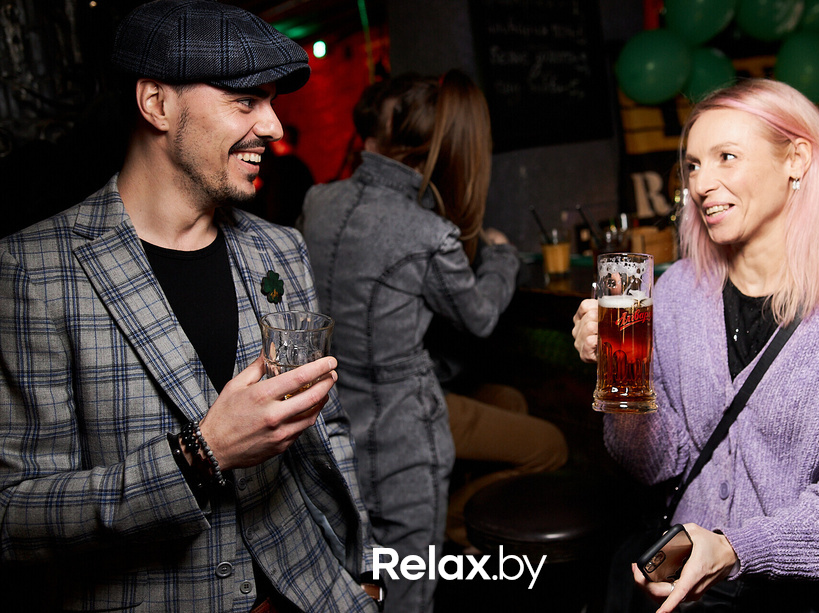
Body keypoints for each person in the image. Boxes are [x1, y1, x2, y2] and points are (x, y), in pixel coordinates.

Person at [0, 2, 381, 611]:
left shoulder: (279, 249)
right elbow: (15, 513)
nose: (276, 127)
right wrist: (200, 456)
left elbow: (327, 428)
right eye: (245, 101)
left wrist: (362, 567)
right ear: (156, 104)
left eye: (272, 101)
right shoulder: (33, 271)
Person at [572, 78, 819, 612]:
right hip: (683, 580)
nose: (701, 183)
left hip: (803, 596)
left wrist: (735, 549)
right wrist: (618, 376)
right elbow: (654, 462)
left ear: (796, 160)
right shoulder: (678, 290)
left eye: (726, 157)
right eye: (692, 165)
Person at [297, 70, 522, 612]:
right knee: (410, 594)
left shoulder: (318, 202)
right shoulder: (428, 233)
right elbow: (482, 316)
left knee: (356, 585)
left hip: (330, 425)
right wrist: (502, 256)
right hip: (404, 432)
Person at [347, 75, 569, 552]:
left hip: (400, 388)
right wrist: (502, 256)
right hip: (403, 402)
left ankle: (466, 521)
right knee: (551, 445)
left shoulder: (353, 203)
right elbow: (480, 315)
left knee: (509, 400)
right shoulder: (415, 217)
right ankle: (448, 527)